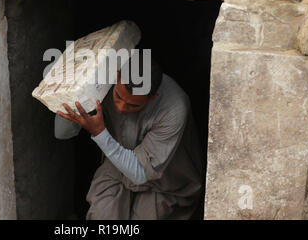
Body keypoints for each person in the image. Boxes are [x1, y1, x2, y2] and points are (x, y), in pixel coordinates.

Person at [55, 55, 203, 220]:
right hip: (116, 167)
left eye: (133, 105)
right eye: (118, 97)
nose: (121, 108)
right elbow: (61, 133)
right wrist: (71, 93)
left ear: (152, 98)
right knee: (103, 216)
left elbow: (139, 173)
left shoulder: (174, 109)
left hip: (164, 181)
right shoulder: (102, 83)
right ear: (116, 76)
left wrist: (100, 133)